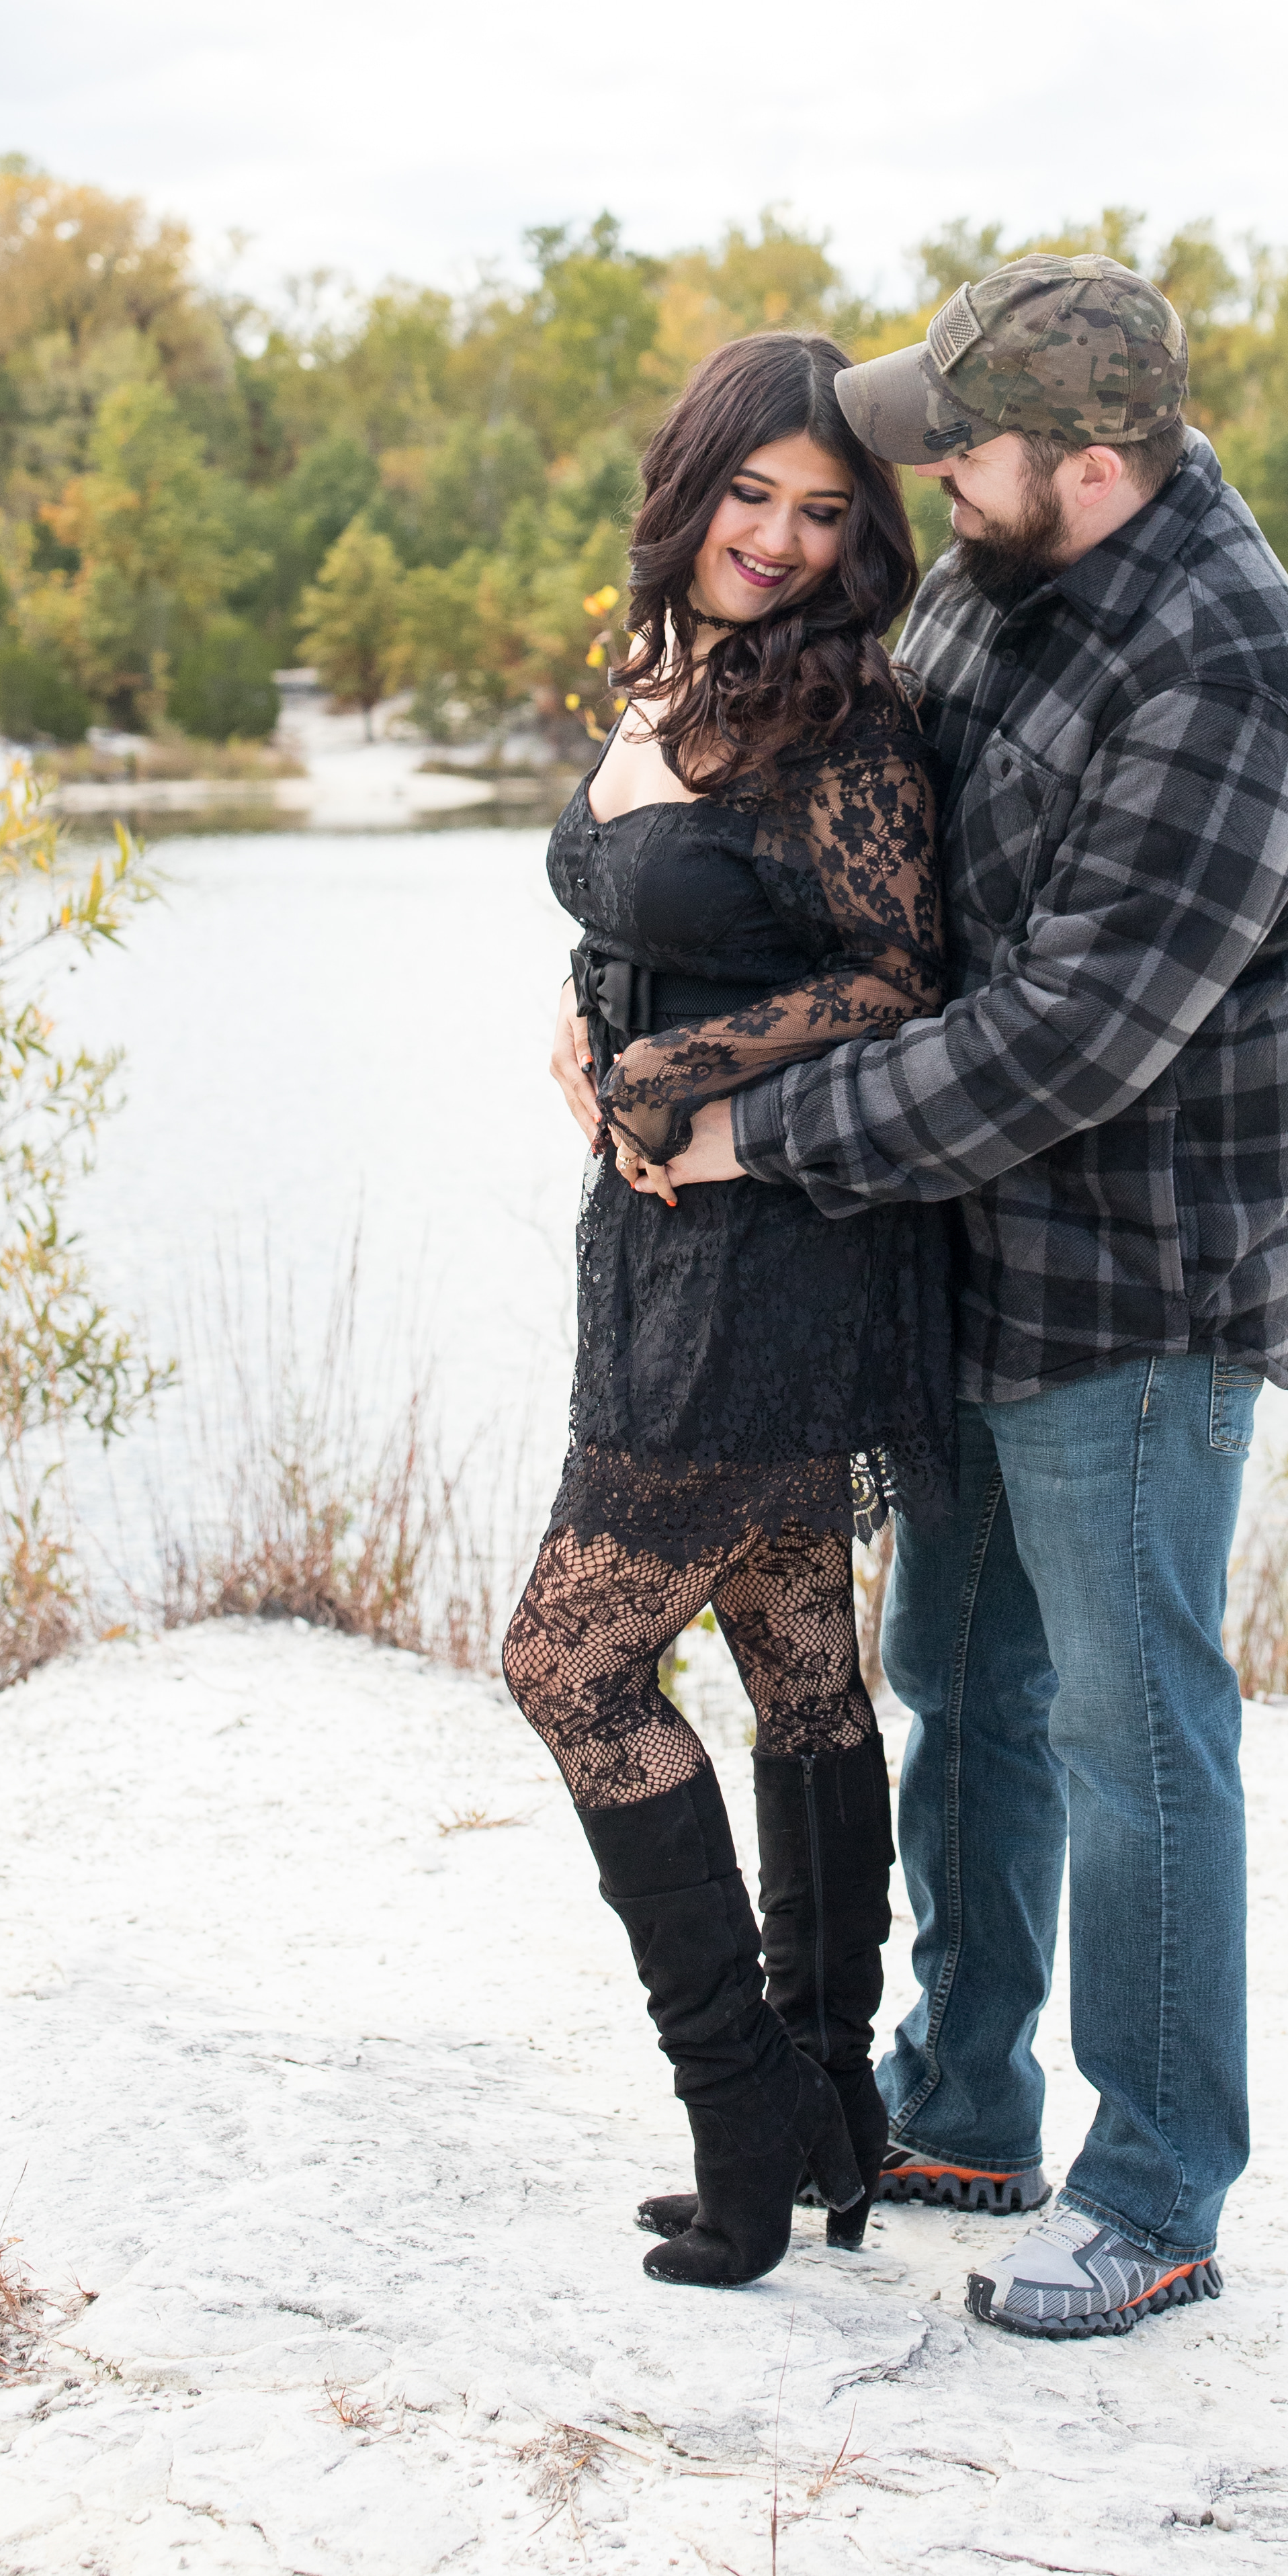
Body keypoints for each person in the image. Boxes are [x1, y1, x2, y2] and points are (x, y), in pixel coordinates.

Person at [624, 252, 1288, 2340]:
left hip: (1137, 1295)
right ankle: (960, 2105)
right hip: (959, 1260)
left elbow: (1061, 1041)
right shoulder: (1000, 570)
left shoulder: (1227, 676)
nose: (929, 477)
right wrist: (638, 1005)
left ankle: (1157, 2199)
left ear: (1091, 463)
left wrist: (754, 1133)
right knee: (957, 1678)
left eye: (964, 450)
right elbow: (882, 859)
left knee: (1136, 1738)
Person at [507, 330, 955, 2291]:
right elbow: (645, 906)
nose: (777, 540)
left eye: (823, 512)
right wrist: (583, 1020)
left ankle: (741, 2105)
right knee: (797, 1666)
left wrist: (682, 1070)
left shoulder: (842, 713)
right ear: (688, 488)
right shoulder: (669, 671)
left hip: (773, 1253)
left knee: (568, 1666)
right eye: (750, 496)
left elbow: (894, 974)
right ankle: (832, 2098)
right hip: (656, 1243)